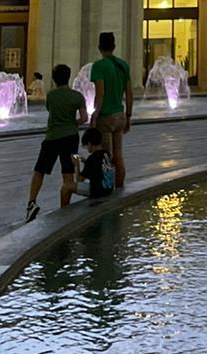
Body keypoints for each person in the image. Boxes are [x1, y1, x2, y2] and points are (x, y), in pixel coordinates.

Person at [25, 64, 86, 220]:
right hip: (70, 137)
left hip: (52, 137)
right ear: (69, 76)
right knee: (68, 174)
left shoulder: (51, 95)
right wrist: (74, 123)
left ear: (54, 79)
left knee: (40, 170)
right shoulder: (77, 96)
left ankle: (31, 202)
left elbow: (49, 110)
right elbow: (84, 118)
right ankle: (65, 208)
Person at [89, 32, 133, 189]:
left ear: (99, 47)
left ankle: (108, 187)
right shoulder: (123, 65)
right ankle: (120, 186)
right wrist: (128, 116)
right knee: (119, 154)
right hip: (120, 115)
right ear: (114, 46)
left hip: (105, 117)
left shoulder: (99, 66)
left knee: (106, 155)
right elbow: (129, 93)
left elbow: (100, 94)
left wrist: (95, 114)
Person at [74, 127, 113, 201]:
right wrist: (85, 161)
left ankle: (65, 209)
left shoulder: (91, 159)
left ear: (89, 144)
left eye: (85, 146)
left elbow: (79, 180)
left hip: (97, 191)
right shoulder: (106, 153)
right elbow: (98, 168)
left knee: (67, 187)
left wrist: (77, 165)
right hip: (108, 188)